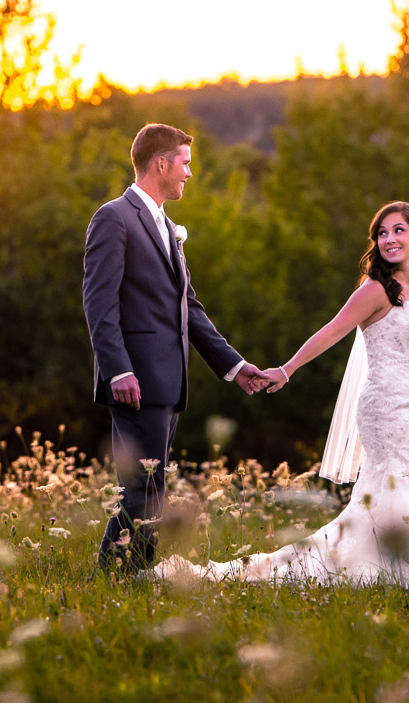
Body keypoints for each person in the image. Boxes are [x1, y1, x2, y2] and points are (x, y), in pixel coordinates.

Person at [156, 201, 409, 585]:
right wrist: (287, 369)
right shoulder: (375, 290)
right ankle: (398, 567)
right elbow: (333, 330)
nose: (388, 239)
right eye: (382, 233)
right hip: (384, 404)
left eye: (398, 230)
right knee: (400, 481)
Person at [82, 123, 269, 574]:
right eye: (184, 162)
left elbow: (189, 309)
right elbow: (99, 302)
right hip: (135, 380)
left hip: (167, 381)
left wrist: (235, 365)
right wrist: (118, 369)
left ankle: (131, 576)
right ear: (160, 163)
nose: (189, 172)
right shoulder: (115, 217)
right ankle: (115, 577)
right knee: (142, 488)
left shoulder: (166, 226)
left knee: (152, 487)